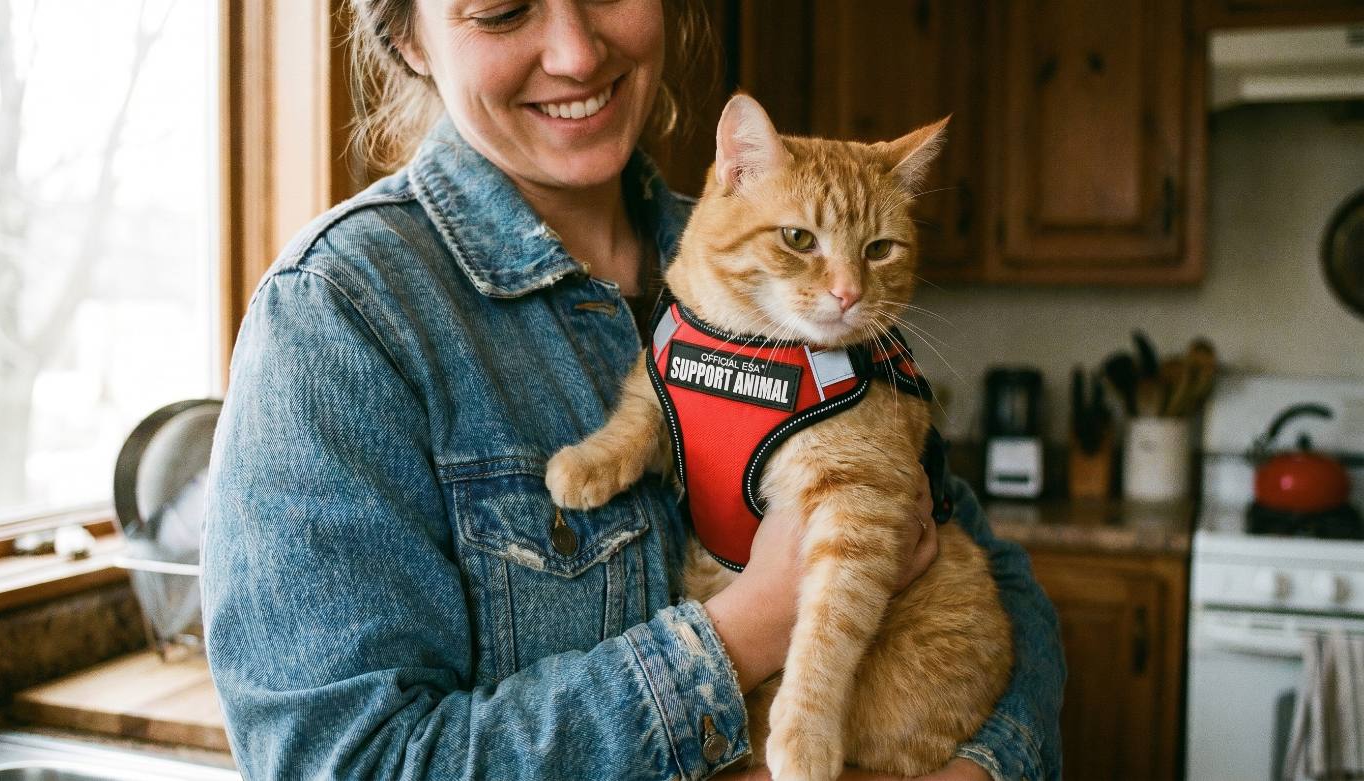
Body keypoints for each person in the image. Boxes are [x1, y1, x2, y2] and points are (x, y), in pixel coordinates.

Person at [200, 1, 1066, 779]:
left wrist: (982, 770)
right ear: (408, 38)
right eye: (503, 12)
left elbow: (1011, 598)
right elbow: (349, 764)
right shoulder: (335, 316)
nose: (577, 53)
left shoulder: (780, 248)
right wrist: (749, 627)